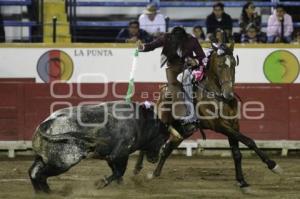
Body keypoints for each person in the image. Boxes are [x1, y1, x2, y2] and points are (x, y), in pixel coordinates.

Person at [137, 27, 207, 135]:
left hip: (187, 68)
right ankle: (185, 119)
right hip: (172, 69)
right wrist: (142, 47)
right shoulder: (166, 37)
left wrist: (195, 61)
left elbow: (201, 56)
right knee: (175, 88)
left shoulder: (191, 40)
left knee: (194, 87)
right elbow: (152, 45)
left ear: (185, 38)